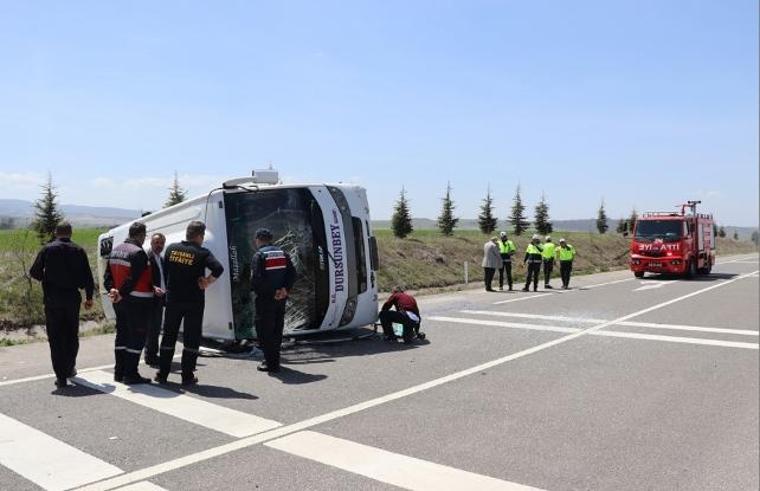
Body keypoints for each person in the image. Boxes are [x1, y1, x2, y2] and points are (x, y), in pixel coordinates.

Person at [155, 221, 224, 386]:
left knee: (169, 336)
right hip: (194, 301)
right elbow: (218, 268)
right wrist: (207, 281)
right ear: (200, 236)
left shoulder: (171, 249)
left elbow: (165, 272)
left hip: (173, 299)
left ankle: (162, 374)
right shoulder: (202, 252)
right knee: (191, 338)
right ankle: (187, 376)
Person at [29, 222, 95, 388]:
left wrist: (47, 279)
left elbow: (34, 272)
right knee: (71, 334)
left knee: (56, 337)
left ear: (56, 232)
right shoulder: (79, 250)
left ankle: (61, 376)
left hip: (53, 299)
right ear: (71, 233)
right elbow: (88, 276)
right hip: (72, 298)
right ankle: (69, 367)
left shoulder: (47, 249)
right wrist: (89, 297)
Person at [104, 221, 154, 384]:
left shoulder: (115, 250)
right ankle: (131, 373)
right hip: (136, 301)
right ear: (140, 235)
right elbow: (133, 278)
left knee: (122, 334)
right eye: (144, 236)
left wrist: (112, 290)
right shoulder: (138, 253)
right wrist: (121, 292)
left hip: (119, 301)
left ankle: (119, 372)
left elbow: (107, 277)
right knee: (137, 336)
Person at [251, 228, 296, 373]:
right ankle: (273, 359)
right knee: (277, 329)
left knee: (264, 330)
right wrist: (284, 289)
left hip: (266, 300)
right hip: (281, 299)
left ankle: (271, 363)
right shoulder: (283, 253)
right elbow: (292, 274)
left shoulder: (259, 255)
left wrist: (272, 292)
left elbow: (257, 280)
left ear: (258, 239)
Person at [144, 233, 166, 366]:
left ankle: (153, 354)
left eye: (161, 243)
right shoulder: (147, 257)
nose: (159, 245)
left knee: (157, 327)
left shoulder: (161, 259)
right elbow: (143, 278)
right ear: (151, 243)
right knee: (152, 328)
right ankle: (150, 356)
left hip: (161, 298)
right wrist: (152, 288)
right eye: (156, 242)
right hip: (150, 298)